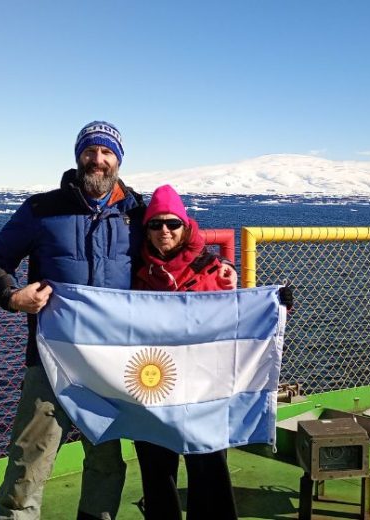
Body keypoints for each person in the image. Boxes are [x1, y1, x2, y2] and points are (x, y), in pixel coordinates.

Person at [0, 121, 145, 520]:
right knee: (28, 464)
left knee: (106, 461)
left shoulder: (138, 213)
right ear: (78, 156)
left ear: (118, 160)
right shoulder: (42, 209)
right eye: (91, 151)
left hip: (109, 363)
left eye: (107, 152)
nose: (98, 159)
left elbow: (178, 253)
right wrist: (12, 295)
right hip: (51, 357)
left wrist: (222, 267)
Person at [132, 184, 238, 520]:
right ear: (146, 230)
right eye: (155, 224)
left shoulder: (212, 270)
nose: (164, 230)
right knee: (156, 468)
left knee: (209, 465)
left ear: (185, 226)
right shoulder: (135, 272)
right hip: (154, 382)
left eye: (172, 223)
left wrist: (278, 307)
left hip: (202, 386)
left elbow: (242, 315)